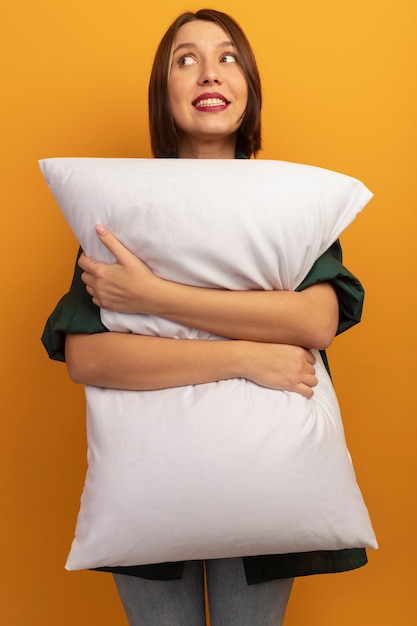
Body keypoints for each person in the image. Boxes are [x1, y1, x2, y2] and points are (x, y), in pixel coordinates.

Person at [42, 8, 367, 626]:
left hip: (267, 476)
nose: (208, 73)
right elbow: (87, 355)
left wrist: (154, 298)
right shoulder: (120, 208)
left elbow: (314, 324)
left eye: (228, 58)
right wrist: (247, 354)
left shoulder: (291, 204)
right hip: (148, 480)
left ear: (249, 86)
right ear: (163, 93)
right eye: (184, 60)